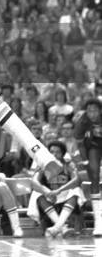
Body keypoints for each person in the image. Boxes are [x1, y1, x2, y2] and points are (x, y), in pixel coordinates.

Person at [30, 140, 84, 237]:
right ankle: (62, 227)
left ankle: (58, 226)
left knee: (76, 190)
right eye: (51, 152)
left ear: (63, 154)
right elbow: (34, 182)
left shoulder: (68, 164)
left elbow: (77, 180)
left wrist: (59, 190)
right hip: (50, 196)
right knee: (36, 193)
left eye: (57, 152)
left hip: (65, 195)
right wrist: (46, 191)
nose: (54, 154)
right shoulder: (43, 165)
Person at [74, 98, 102, 235]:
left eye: (95, 111)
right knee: (95, 175)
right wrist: (85, 161)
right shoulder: (82, 122)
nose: (92, 114)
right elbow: (79, 144)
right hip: (93, 147)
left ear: (100, 110)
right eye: (89, 111)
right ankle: (99, 222)